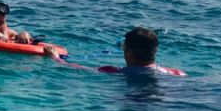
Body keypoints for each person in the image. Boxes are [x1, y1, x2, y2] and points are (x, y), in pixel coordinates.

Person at [44, 26, 186, 76]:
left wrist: (56, 58)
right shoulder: (176, 72)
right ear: (154, 51)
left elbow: (77, 68)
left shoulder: (113, 71)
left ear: (128, 52)